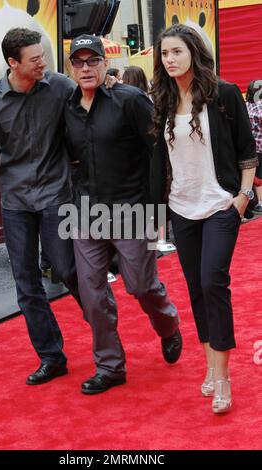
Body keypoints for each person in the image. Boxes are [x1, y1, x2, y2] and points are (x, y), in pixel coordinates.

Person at [64, 34, 182, 395]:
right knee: (92, 293)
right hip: (84, 212)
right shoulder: (66, 106)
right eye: (79, 62)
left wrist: (157, 210)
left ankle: (168, 326)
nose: (86, 68)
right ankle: (110, 366)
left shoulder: (130, 100)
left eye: (93, 60)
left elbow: (158, 154)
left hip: (132, 209)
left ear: (104, 63)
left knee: (142, 286)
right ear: (71, 67)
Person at [151, 24, 258, 413]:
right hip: (182, 208)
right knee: (196, 288)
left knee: (214, 281)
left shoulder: (224, 94)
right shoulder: (161, 100)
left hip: (220, 205)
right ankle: (210, 368)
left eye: (177, 52)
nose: (171, 59)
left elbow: (248, 150)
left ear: (194, 52)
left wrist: (243, 196)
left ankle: (225, 377)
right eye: (165, 54)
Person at [0, 28, 82, 386]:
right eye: (34, 59)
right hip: (16, 202)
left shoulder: (61, 86)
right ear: (13, 63)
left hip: (57, 195)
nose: (42, 63)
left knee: (67, 269)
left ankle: (104, 330)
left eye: (42, 56)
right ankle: (51, 356)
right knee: (26, 283)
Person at [246, 80, 262, 213]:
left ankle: (257, 201)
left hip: (251, 146)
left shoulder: (247, 105)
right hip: (260, 145)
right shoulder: (260, 105)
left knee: (255, 176)